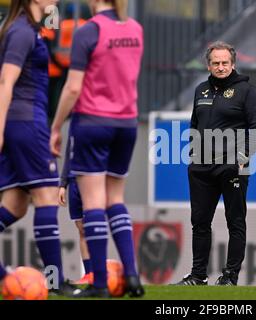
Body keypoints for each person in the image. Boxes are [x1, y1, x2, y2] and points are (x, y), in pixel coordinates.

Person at [50, 0, 144, 298]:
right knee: (116, 199)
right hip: (127, 122)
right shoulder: (136, 29)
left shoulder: (88, 31)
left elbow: (73, 87)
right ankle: (132, 276)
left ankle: (100, 283)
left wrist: (56, 126)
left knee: (93, 203)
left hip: (93, 121)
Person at [176, 41, 256, 286]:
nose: (220, 67)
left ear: (233, 64)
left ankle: (230, 276)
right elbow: (194, 124)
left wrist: (243, 156)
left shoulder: (247, 91)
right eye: (215, 63)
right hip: (201, 167)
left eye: (225, 62)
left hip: (233, 166)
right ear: (209, 65)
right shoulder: (201, 90)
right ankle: (198, 276)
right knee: (200, 221)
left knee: (235, 221)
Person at [0, 0, 75, 296]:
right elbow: (6, 81)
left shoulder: (26, 29)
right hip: (26, 123)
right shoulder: (22, 31)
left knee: (15, 205)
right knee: (46, 198)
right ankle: (55, 282)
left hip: (22, 124)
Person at [58, 132, 93, 285]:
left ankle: (96, 274)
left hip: (91, 179)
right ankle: (88, 274)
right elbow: (68, 155)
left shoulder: (98, 120)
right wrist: (63, 183)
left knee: (93, 225)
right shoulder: (75, 125)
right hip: (73, 181)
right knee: (81, 228)